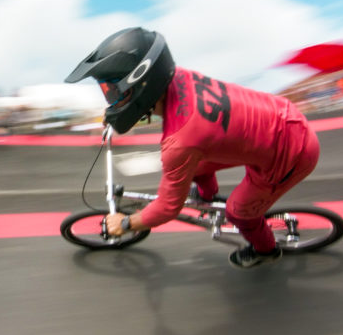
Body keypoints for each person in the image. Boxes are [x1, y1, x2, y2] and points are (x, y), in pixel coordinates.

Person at [65, 27, 320, 268]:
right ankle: (207, 197)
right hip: (279, 119)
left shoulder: (179, 142)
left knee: (239, 214)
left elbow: (167, 208)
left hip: (292, 153)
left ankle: (266, 251)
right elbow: (159, 107)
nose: (111, 99)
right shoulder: (177, 76)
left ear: (140, 82)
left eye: (114, 92)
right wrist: (117, 110)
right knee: (196, 163)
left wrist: (126, 223)